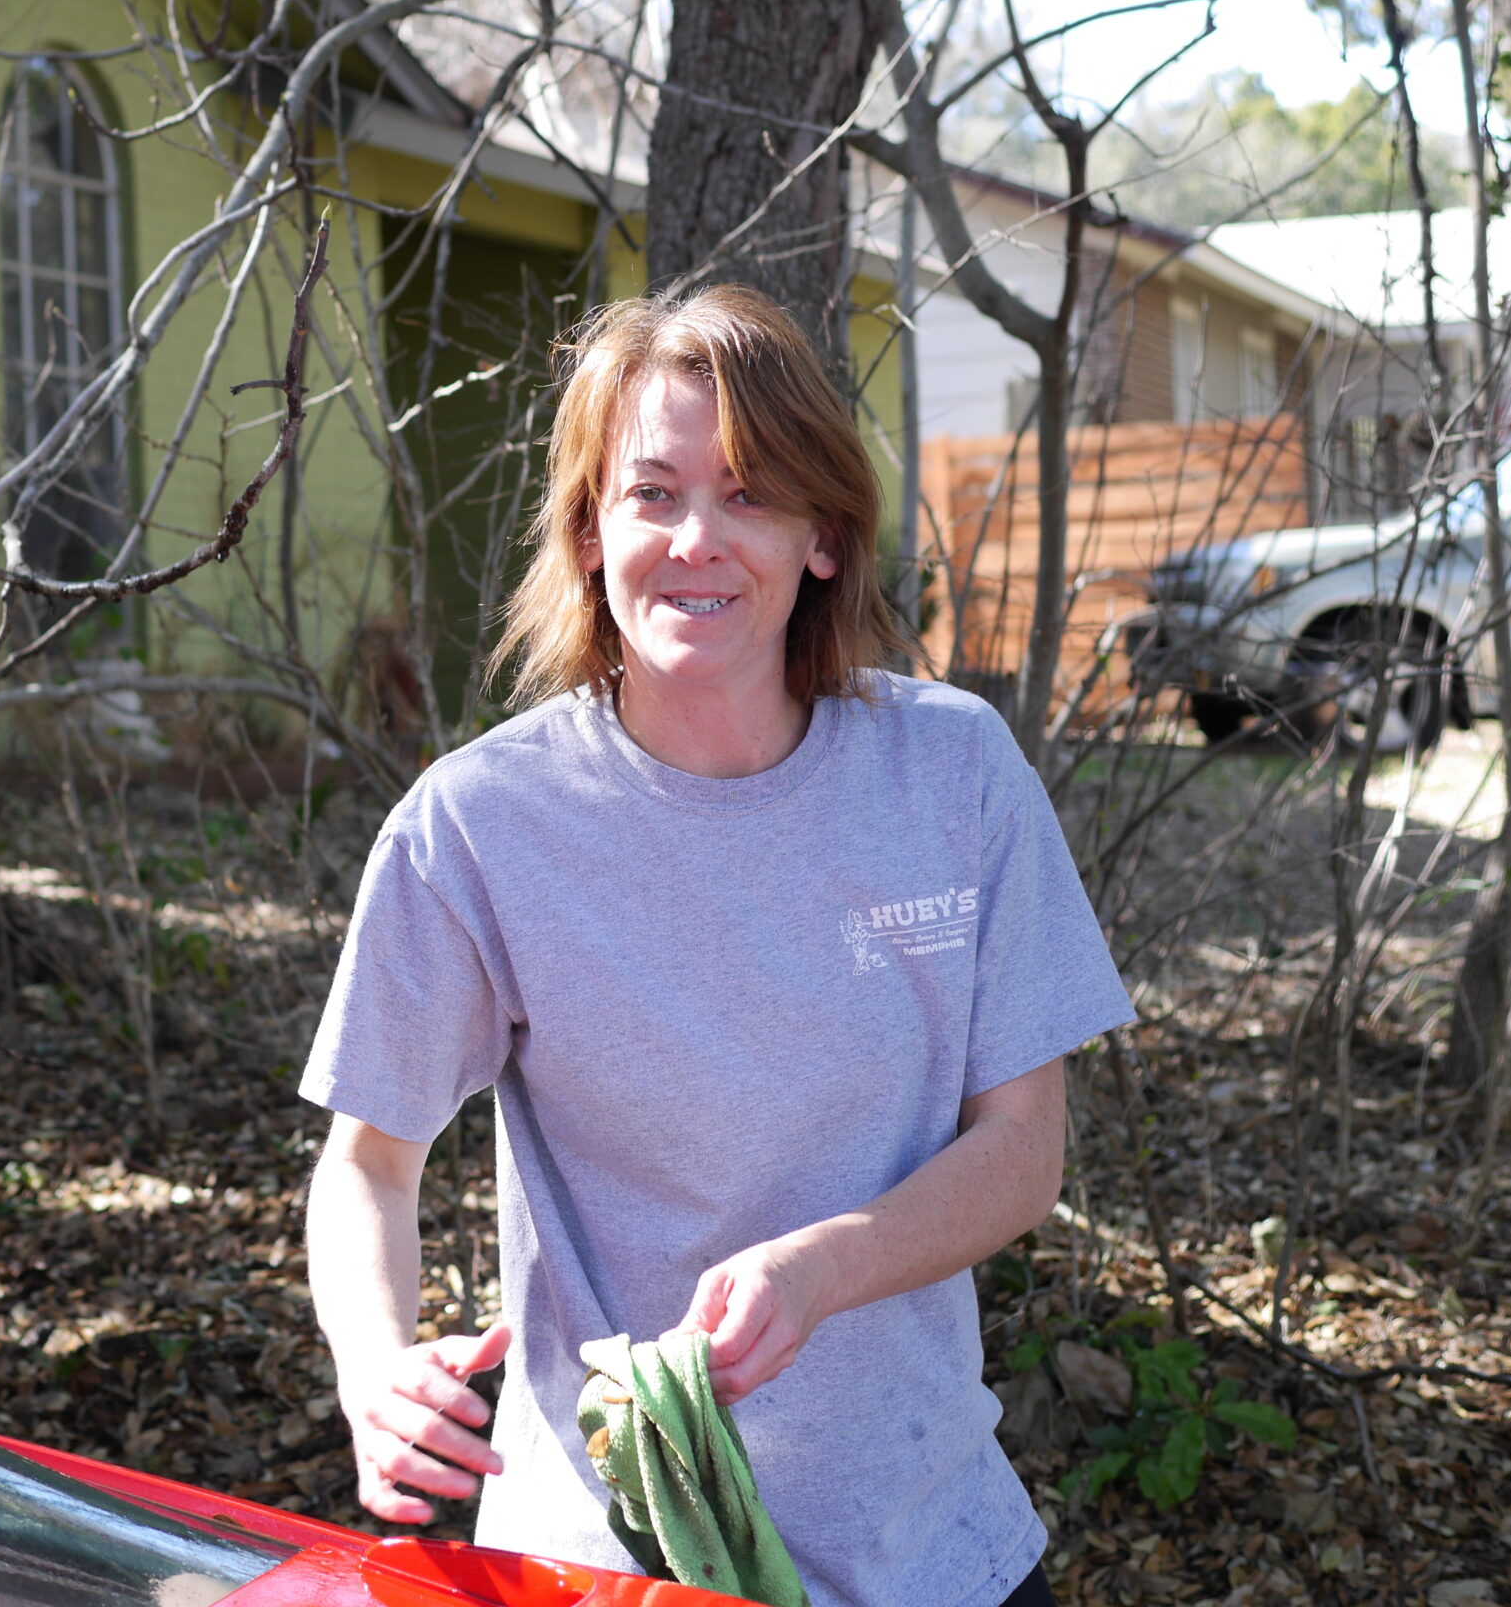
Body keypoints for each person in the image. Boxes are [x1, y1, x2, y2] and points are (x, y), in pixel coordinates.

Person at [301, 286, 1133, 1607]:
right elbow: (368, 1166)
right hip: (602, 1564)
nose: (697, 539)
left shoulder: (951, 772)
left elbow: (1024, 1150)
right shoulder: (474, 826)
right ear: (589, 533)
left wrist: (821, 1268)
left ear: (821, 536)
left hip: (931, 1550)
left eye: (748, 493)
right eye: (652, 493)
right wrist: (373, 1371)